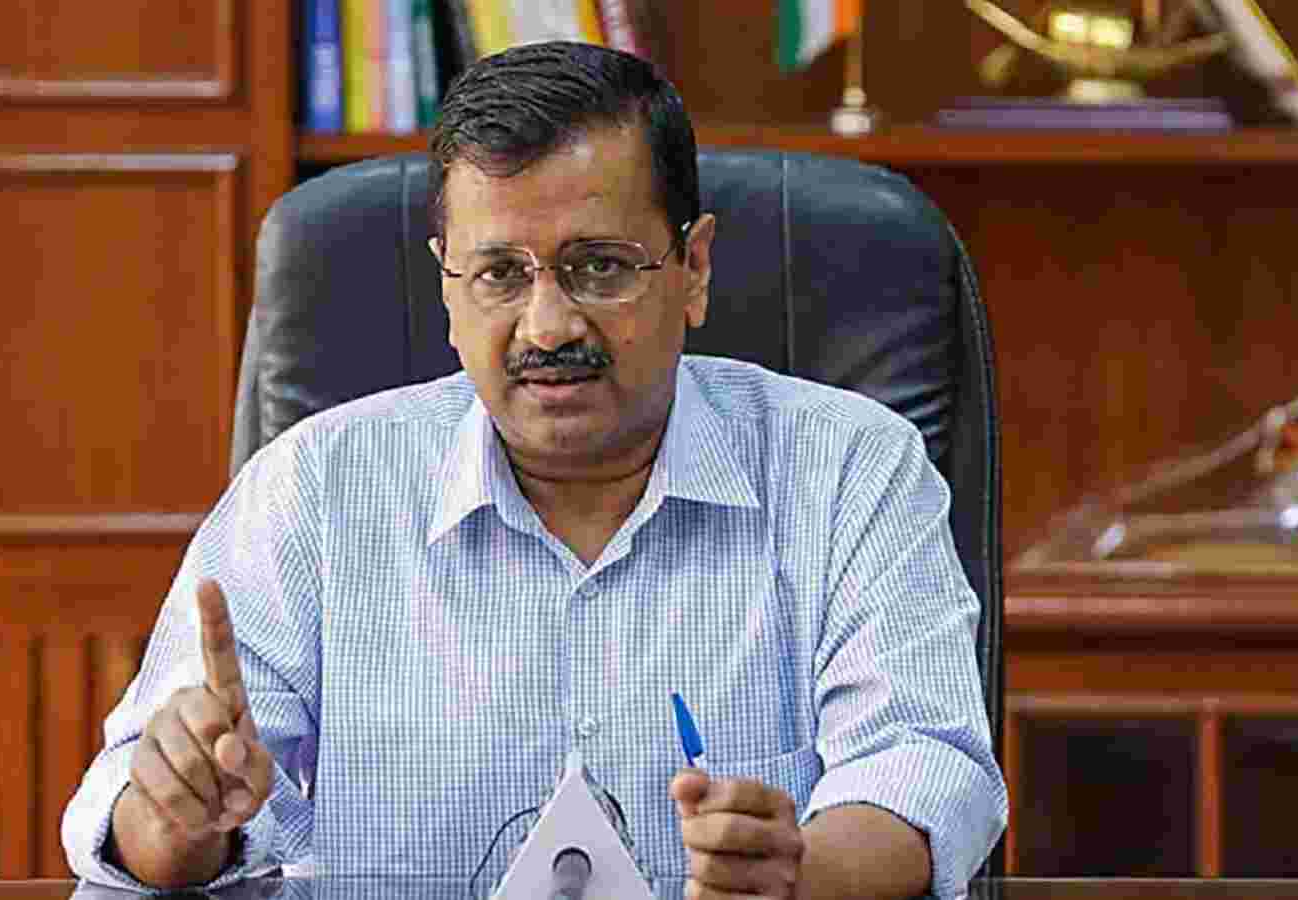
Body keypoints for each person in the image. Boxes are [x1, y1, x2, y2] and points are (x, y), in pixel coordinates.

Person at [62, 40, 1006, 899]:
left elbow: (925, 769)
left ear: (694, 268)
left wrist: (804, 873)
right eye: (500, 274)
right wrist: (179, 818)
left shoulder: (849, 469)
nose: (548, 327)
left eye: (600, 267)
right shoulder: (314, 489)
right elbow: (146, 825)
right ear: (447, 285)